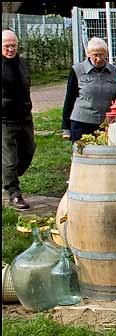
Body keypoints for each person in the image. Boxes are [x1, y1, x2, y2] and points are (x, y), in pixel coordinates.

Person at [62, 37, 116, 143]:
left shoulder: (114, 72)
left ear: (106, 54)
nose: (99, 59)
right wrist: (66, 128)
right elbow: (70, 99)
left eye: (102, 55)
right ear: (88, 54)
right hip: (82, 123)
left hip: (106, 122)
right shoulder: (77, 70)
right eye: (95, 55)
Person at [2, 29, 35, 210]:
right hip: (5, 120)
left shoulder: (22, 63)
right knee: (9, 160)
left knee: (29, 151)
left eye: (13, 45)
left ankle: (9, 175)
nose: (10, 49)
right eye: (6, 45)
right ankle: (14, 194)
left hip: (24, 117)